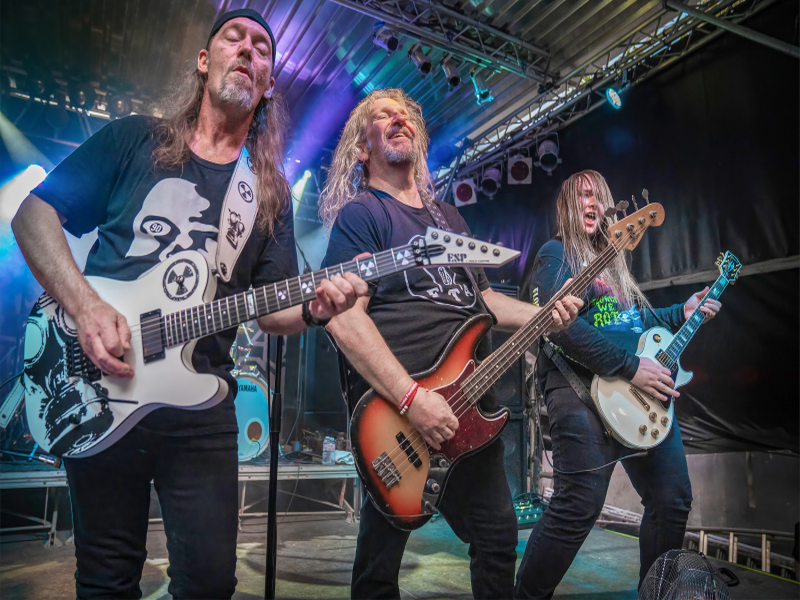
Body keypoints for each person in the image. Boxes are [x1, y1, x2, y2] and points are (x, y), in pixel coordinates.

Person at [11, 9, 366, 599]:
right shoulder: (136, 140)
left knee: (208, 583)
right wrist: (86, 306)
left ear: (268, 84)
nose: (248, 49)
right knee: (105, 579)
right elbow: (32, 214)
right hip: (101, 384)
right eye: (234, 37)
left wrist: (315, 308)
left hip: (201, 406)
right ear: (205, 61)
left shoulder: (267, 192)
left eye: (262, 47)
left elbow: (269, 310)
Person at [318, 88, 583, 600]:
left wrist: (545, 315)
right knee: (378, 568)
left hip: (468, 408)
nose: (398, 120)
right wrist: (411, 399)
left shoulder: (448, 220)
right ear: (362, 148)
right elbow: (345, 320)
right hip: (400, 416)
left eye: (405, 115)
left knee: (498, 539)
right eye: (383, 116)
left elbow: (486, 302)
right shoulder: (363, 215)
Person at [515, 169, 722, 598]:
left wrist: (680, 312)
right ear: (566, 207)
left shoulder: (612, 262)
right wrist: (630, 367)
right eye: (582, 195)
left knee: (672, 500)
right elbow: (558, 326)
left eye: (597, 195)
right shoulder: (556, 254)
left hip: (636, 396)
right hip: (580, 392)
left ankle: (655, 593)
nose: (591, 202)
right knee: (578, 505)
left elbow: (631, 320)